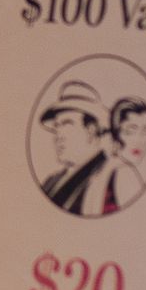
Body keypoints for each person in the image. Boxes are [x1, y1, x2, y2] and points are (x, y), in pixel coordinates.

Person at [38, 83, 114, 217]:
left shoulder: (108, 178)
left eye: (67, 124)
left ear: (91, 131)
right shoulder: (51, 181)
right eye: (56, 127)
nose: (58, 136)